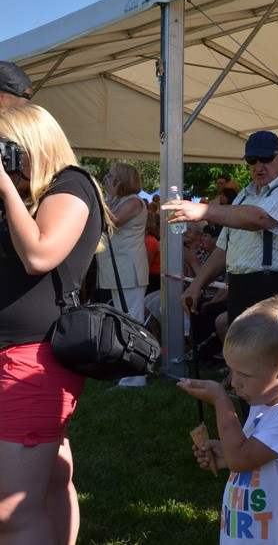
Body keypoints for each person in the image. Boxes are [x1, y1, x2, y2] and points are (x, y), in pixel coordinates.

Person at [0, 105, 107, 544]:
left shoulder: (71, 184)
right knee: (49, 482)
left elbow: (40, 255)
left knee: (11, 508)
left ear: (29, 146)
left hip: (33, 358)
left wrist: (4, 187)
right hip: (15, 355)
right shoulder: (24, 198)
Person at [178, 296, 278, 544]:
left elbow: (241, 458)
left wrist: (221, 400)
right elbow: (246, 457)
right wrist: (225, 453)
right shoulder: (263, 405)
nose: (235, 382)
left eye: (245, 374)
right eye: (232, 370)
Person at [163, 130, 278, 324]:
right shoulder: (243, 195)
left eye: (265, 158)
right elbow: (224, 248)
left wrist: (202, 211)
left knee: (270, 353)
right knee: (235, 348)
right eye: (252, 160)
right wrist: (197, 285)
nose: (258, 167)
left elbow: (259, 218)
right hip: (242, 288)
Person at [96, 162, 151, 387]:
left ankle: (137, 374)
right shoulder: (118, 201)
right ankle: (126, 369)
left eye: (111, 176)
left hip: (129, 270)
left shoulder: (133, 202)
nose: (107, 180)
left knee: (133, 320)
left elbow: (108, 221)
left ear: (121, 180)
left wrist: (107, 196)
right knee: (121, 320)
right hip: (117, 270)